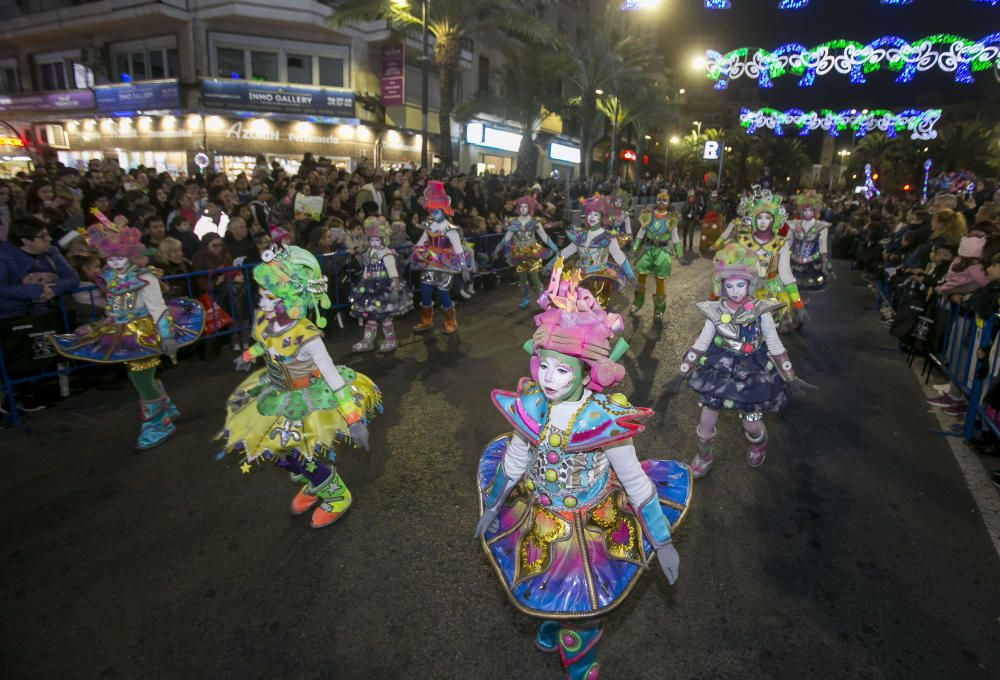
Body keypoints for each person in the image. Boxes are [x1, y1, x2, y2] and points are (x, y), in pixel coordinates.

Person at [474, 260, 690, 679]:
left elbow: (635, 481)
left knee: (582, 602)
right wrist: (494, 503)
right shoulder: (532, 407)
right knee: (544, 583)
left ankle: (579, 660)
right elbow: (516, 460)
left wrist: (661, 540)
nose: (551, 380)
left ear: (586, 372)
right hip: (541, 514)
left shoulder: (603, 421)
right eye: (546, 367)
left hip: (593, 521)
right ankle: (553, 622)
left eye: (563, 370)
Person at [220, 244, 381, 529]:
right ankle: (316, 482)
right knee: (281, 456)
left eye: (269, 296)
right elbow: (266, 343)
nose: (263, 302)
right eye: (262, 294)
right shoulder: (269, 321)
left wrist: (354, 419)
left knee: (296, 453)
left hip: (306, 399)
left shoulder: (308, 338)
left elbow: (332, 377)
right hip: (277, 394)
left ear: (290, 299)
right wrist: (248, 355)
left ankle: (336, 494)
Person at [49, 211, 203, 449]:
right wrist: (108, 320)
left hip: (144, 332)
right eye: (111, 259)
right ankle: (165, 409)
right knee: (142, 374)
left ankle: (158, 423)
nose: (115, 263)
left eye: (120, 258)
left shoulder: (145, 278)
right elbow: (113, 305)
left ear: (132, 256)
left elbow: (158, 309)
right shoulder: (110, 276)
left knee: (139, 376)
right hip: (119, 330)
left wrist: (166, 335)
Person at [669, 244, 815, 478]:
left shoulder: (761, 311)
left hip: (752, 375)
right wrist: (682, 372)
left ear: (750, 284)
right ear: (722, 286)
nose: (735, 291)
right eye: (729, 285)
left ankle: (760, 443)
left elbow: (775, 345)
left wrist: (790, 376)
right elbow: (701, 343)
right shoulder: (715, 311)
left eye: (740, 284)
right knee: (706, 418)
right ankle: (704, 456)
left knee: (751, 423)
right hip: (720, 371)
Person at [410, 181, 470, 334]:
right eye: (431, 211)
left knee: (443, 294)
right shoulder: (430, 226)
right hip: (430, 263)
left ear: (444, 210)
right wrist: (416, 253)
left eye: (436, 211)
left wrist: (464, 267)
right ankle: (426, 320)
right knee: (425, 292)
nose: (433, 214)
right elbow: (420, 243)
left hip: (446, 265)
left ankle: (451, 321)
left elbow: (458, 250)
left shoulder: (451, 230)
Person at [556, 194, 635, 307]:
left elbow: (620, 258)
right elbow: (566, 252)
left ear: (602, 217)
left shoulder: (608, 238)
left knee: (594, 311)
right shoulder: (580, 236)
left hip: (600, 279)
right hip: (580, 277)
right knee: (577, 309)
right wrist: (551, 265)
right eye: (590, 214)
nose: (592, 217)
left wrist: (631, 276)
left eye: (596, 215)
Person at [349, 216, 413, 352]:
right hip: (370, 289)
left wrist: (395, 290)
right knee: (370, 316)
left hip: (384, 289)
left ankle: (390, 340)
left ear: (383, 239)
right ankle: (368, 341)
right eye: (371, 239)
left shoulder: (387, 254)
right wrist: (362, 284)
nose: (374, 242)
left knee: (385, 317)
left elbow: (393, 273)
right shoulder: (368, 253)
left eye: (377, 239)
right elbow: (366, 271)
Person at [491, 194, 559, 309]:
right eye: (521, 207)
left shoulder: (535, 222)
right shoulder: (514, 223)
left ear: (530, 208)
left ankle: (543, 300)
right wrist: (496, 249)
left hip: (533, 252)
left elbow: (544, 237)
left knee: (534, 277)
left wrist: (555, 248)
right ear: (518, 208)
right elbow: (506, 238)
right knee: (522, 279)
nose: (523, 209)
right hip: (519, 253)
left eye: (525, 207)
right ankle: (525, 298)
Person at [631, 190, 683, 318]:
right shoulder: (648, 215)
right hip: (647, 249)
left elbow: (675, 238)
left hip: (662, 252)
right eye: (659, 199)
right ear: (656, 200)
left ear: (668, 202)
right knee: (641, 277)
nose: (661, 202)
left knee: (660, 280)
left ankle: (659, 309)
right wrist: (634, 249)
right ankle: (638, 302)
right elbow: (640, 233)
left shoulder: (671, 218)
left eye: (665, 200)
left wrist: (680, 255)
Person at [787, 190, 833, 291]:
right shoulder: (794, 224)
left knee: (811, 286)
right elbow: (788, 243)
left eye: (810, 210)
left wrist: (824, 263)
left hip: (813, 262)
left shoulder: (821, 226)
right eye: (805, 210)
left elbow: (823, 247)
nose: (807, 213)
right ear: (800, 210)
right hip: (794, 260)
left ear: (815, 211)